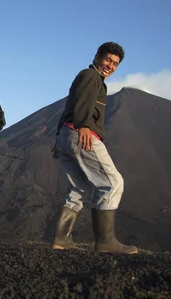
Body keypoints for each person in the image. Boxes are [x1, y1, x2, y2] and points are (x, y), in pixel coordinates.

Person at [51, 42, 137, 254]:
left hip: (67, 134)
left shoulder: (89, 78)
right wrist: (85, 126)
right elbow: (83, 104)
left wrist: (60, 138)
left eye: (115, 63)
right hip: (82, 134)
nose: (110, 65)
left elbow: (72, 105)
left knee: (80, 188)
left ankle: (61, 239)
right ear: (97, 56)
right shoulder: (91, 76)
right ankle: (106, 242)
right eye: (108, 60)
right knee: (113, 182)